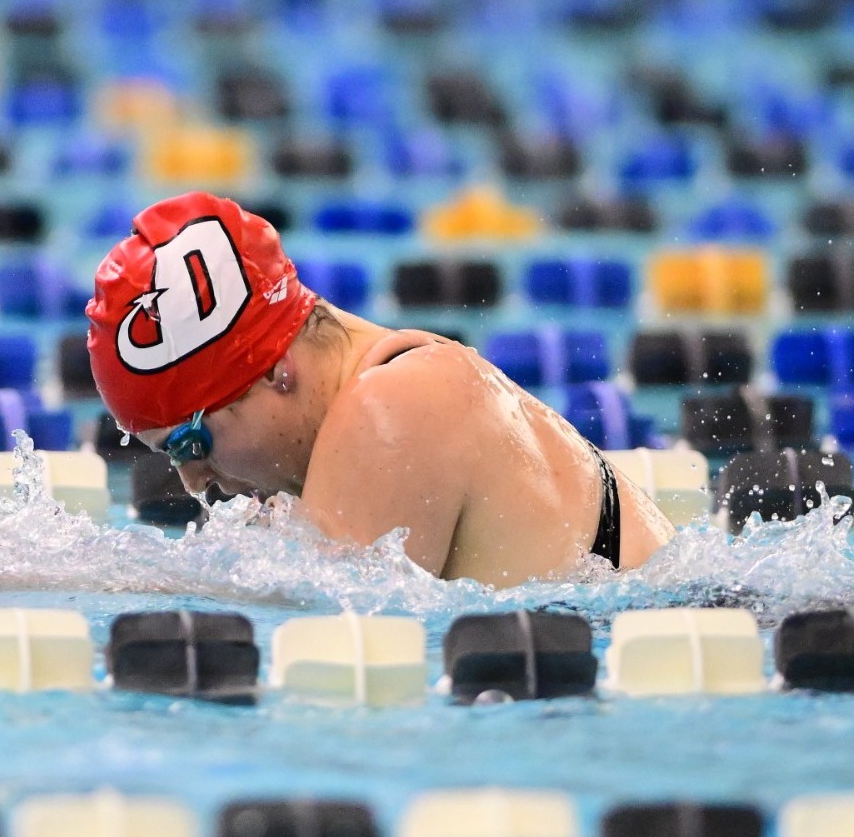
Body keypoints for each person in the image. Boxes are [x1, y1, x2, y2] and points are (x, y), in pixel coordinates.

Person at [85, 191, 676, 587]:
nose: (193, 481)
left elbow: (326, 654)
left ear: (269, 372)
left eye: (190, 443)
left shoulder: (390, 410)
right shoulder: (406, 375)